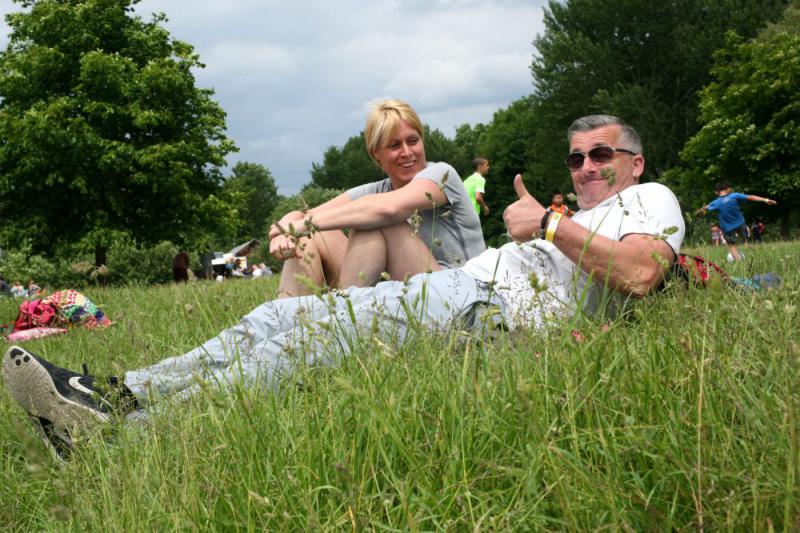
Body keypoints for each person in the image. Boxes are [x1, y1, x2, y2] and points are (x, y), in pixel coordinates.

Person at [2, 115, 685, 461]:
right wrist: (293, 222)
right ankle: (116, 392)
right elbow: (364, 207)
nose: (588, 165)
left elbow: (640, 273)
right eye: (577, 156)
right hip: (468, 293)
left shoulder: (652, 199)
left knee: (316, 335)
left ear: (636, 162)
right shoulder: (585, 211)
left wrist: (553, 221)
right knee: (282, 322)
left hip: (489, 308)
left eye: (602, 154)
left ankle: (126, 437)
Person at [269, 99, 485, 298]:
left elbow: (387, 210)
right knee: (311, 236)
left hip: (460, 296)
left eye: (413, 141)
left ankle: (343, 322)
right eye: (394, 145)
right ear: (376, 154)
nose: (407, 152)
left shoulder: (441, 175)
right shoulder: (377, 190)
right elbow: (307, 217)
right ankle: (289, 324)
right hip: (406, 294)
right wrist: (286, 228)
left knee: (376, 219)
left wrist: (297, 226)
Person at [695, 183, 776, 261]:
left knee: (732, 248)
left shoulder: (716, 203)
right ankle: (752, 254)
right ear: (728, 189)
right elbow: (751, 197)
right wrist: (766, 200)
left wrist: (698, 212)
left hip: (728, 229)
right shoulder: (735, 195)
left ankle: (741, 262)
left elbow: (704, 209)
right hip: (741, 225)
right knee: (745, 241)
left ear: (716, 192)